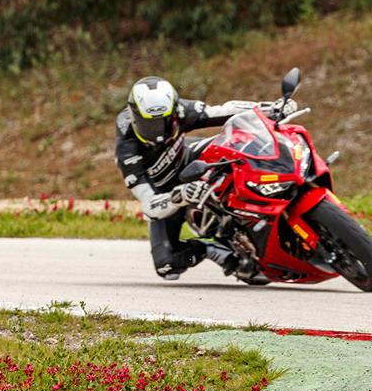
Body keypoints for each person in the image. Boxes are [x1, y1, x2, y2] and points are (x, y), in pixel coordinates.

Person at [115, 76, 296, 280]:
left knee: (237, 143)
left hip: (189, 158)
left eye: (164, 122)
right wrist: (180, 196)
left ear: (173, 112)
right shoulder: (127, 150)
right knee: (166, 267)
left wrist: (270, 108)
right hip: (165, 196)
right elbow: (148, 204)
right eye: (149, 124)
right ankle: (208, 247)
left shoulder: (182, 110)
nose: (158, 132)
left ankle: (273, 190)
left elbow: (222, 110)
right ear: (134, 116)